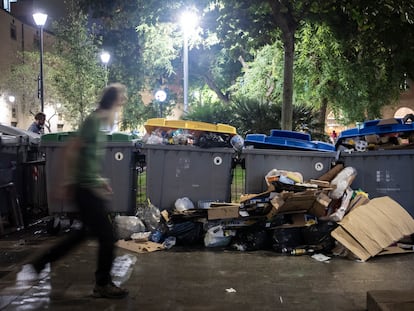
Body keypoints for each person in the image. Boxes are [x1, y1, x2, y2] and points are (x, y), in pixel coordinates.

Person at [17, 83, 129, 299]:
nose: (123, 102)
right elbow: (71, 149)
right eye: (121, 98)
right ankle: (102, 284)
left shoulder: (101, 121)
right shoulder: (94, 121)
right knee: (107, 236)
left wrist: (99, 180)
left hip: (88, 186)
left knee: (81, 235)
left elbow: (87, 158)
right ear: (113, 100)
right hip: (84, 189)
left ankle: (39, 264)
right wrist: (65, 182)